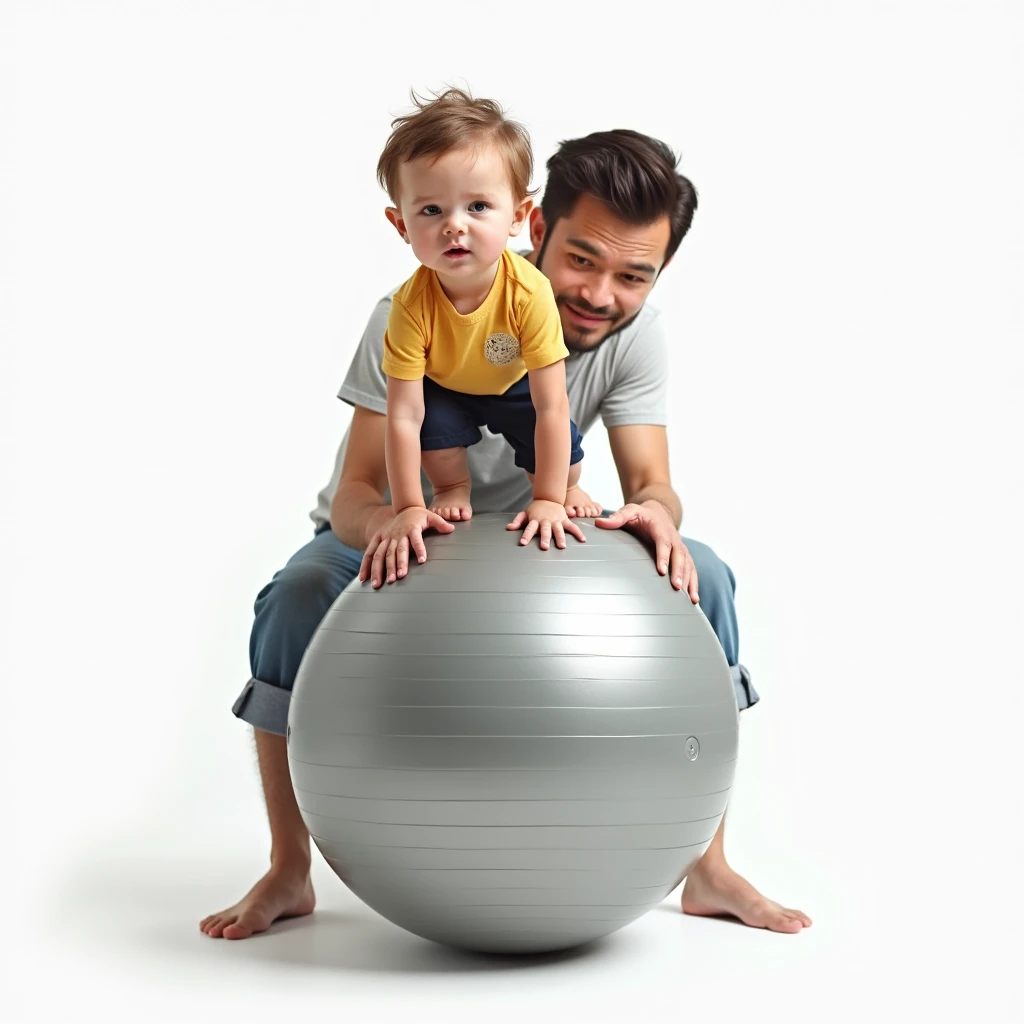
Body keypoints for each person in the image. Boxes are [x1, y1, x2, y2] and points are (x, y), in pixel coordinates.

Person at [201, 128, 813, 940]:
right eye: (582, 260)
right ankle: (288, 868)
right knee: (299, 593)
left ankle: (706, 866)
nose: (600, 293)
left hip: (543, 526)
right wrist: (392, 520)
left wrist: (656, 516)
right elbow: (354, 491)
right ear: (535, 231)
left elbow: (651, 481)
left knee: (706, 572)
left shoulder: (633, 336)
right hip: (407, 520)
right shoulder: (411, 311)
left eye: (634, 275)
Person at [374, 88, 601, 567]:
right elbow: (403, 416)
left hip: (513, 383)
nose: (455, 226)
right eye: (431, 211)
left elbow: (551, 405)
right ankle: (453, 487)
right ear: (401, 226)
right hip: (446, 385)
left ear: (518, 216)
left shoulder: (529, 293)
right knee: (434, 438)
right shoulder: (410, 305)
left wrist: (549, 498)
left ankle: (571, 483)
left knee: (565, 456)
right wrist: (407, 508)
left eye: (477, 206)